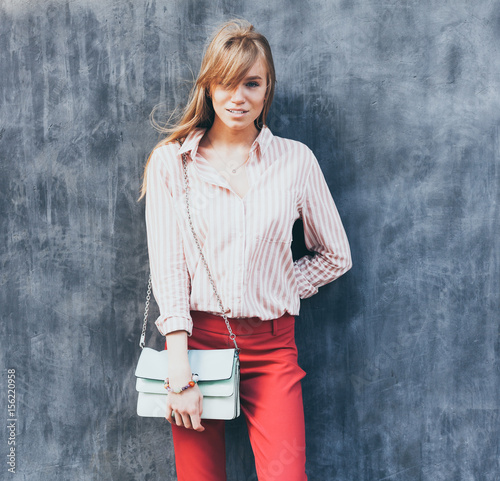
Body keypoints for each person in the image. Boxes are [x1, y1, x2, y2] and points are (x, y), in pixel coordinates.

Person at [140, 19, 352, 481]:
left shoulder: (296, 161)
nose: (238, 96)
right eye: (226, 82)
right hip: (194, 345)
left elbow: (335, 254)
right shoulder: (172, 164)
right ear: (208, 86)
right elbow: (169, 268)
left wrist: (275, 284)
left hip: (274, 348)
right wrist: (180, 374)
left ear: (267, 87)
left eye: (251, 83)